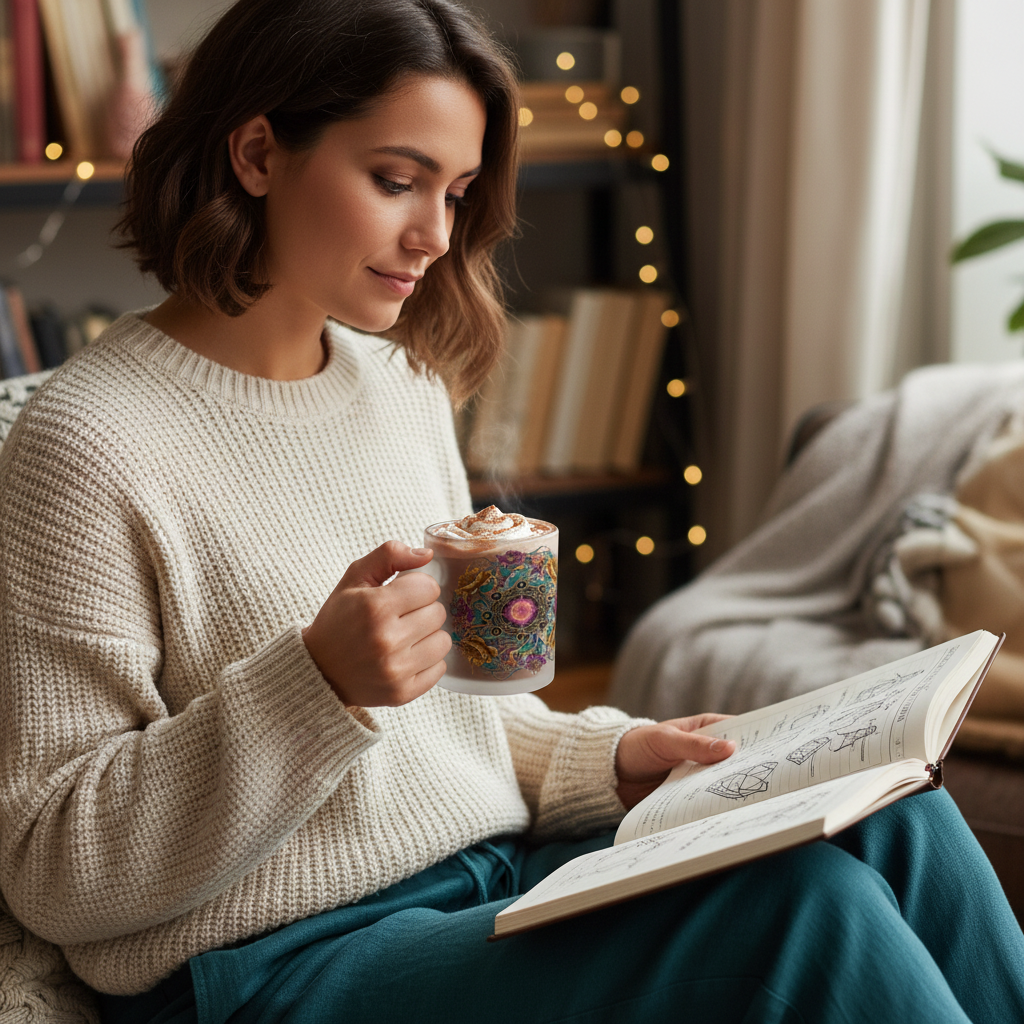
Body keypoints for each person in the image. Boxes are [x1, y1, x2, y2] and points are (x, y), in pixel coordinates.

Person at [0, 1, 1021, 1022]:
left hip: (488, 876)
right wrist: (311, 686)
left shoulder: (398, 386)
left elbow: (464, 729)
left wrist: (613, 758)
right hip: (274, 964)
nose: (434, 234)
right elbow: (50, 865)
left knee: (897, 820)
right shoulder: (84, 442)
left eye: (454, 191)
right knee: (801, 908)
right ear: (259, 152)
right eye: (395, 181)